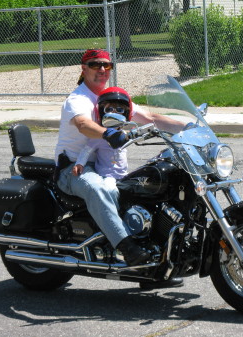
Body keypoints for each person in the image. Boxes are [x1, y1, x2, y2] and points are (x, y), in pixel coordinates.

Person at [54, 49, 184, 289]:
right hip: (74, 167)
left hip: (104, 164)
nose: (102, 70)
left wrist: (190, 126)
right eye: (95, 65)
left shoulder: (110, 99)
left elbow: (150, 117)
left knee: (150, 184)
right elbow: (83, 124)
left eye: (107, 65)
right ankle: (128, 249)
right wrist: (108, 133)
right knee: (97, 188)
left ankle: (154, 263)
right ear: (83, 69)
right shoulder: (78, 99)